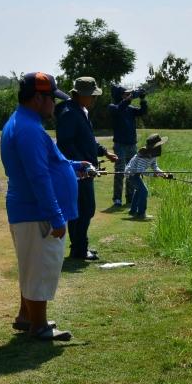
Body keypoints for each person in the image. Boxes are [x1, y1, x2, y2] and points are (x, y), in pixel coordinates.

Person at [0, 72, 90, 341]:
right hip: (36, 213)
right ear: (38, 98)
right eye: (52, 98)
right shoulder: (28, 130)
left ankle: (27, 316)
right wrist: (56, 216)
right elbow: (37, 177)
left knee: (31, 267)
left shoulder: (26, 123)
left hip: (29, 211)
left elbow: (50, 165)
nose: (55, 104)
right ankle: (38, 326)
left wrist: (75, 168)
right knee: (40, 268)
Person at [55, 77, 118, 260]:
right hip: (78, 173)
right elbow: (65, 145)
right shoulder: (69, 113)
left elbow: (87, 140)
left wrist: (105, 152)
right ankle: (80, 250)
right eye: (91, 96)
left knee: (82, 211)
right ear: (80, 95)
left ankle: (79, 248)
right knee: (84, 210)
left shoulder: (79, 111)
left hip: (84, 171)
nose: (94, 99)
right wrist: (83, 165)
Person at [108, 85, 148, 208]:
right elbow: (120, 108)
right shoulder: (113, 107)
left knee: (132, 172)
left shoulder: (130, 108)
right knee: (120, 171)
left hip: (132, 145)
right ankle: (117, 199)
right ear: (120, 95)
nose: (129, 95)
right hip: (120, 145)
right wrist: (129, 99)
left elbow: (143, 111)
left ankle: (130, 197)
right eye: (126, 94)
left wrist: (142, 99)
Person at [124, 133, 173, 219]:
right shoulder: (144, 155)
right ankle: (141, 214)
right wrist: (154, 175)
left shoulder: (153, 154)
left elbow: (155, 167)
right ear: (154, 147)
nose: (160, 147)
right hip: (131, 173)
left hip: (136, 173)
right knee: (144, 191)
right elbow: (141, 171)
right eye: (159, 145)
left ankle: (133, 211)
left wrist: (164, 174)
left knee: (139, 190)